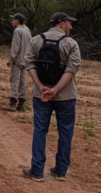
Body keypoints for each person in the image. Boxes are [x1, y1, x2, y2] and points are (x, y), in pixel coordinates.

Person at [22, 12, 81, 182]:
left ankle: (37, 170)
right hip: (66, 96)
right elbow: (72, 68)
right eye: (70, 23)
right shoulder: (70, 43)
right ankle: (61, 171)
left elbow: (29, 63)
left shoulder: (36, 40)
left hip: (41, 95)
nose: (71, 26)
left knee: (40, 130)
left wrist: (41, 87)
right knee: (66, 132)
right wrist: (56, 90)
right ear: (62, 23)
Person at [3, 13, 32, 112]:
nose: (12, 21)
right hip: (26, 60)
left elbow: (16, 46)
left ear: (17, 20)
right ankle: (21, 104)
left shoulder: (18, 31)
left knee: (14, 81)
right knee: (23, 81)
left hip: (18, 60)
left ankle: (12, 104)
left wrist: (11, 59)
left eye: (13, 19)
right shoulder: (27, 30)